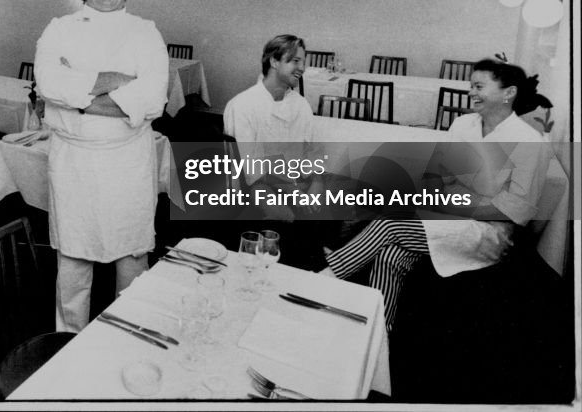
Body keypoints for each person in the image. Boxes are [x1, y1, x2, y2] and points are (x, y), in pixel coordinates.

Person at [321, 58, 550, 330]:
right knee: (389, 256)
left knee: (392, 222)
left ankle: (327, 276)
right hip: (444, 215)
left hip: (489, 233)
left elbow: (517, 211)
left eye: (479, 86)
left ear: (508, 93)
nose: (471, 92)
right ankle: (379, 335)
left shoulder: (529, 141)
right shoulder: (463, 125)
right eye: (470, 86)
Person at [34, 0, 169, 332]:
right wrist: (117, 83)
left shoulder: (146, 33)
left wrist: (73, 97)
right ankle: (68, 341)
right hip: (74, 162)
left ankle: (128, 335)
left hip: (128, 162)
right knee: (73, 261)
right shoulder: (59, 29)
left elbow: (153, 101)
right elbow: (47, 83)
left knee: (132, 257)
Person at [222, 34, 332, 269]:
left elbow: (313, 150)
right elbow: (251, 171)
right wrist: (293, 192)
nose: (302, 68)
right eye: (294, 61)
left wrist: (317, 182)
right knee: (285, 216)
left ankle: (317, 264)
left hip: (293, 180)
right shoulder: (243, 105)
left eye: (303, 61)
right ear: (273, 61)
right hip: (255, 185)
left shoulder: (300, 104)